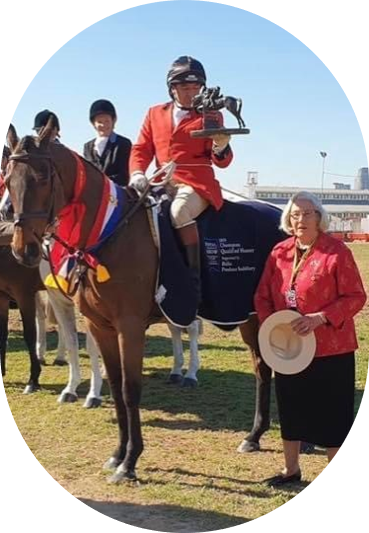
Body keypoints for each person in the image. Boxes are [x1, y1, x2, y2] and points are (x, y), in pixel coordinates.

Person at [254, 191, 367, 487]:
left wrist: (320, 318)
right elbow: (262, 295)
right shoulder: (278, 253)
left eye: (306, 213)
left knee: (334, 414)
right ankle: (291, 470)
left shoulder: (336, 252)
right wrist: (272, 326)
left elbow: (356, 296)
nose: (300, 219)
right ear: (287, 220)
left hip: (331, 349)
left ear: (319, 217)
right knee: (290, 409)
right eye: (294, 214)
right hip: (289, 349)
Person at [129, 55, 233, 299]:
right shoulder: (154, 113)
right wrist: (136, 172)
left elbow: (223, 162)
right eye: (185, 87)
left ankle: (192, 279)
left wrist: (221, 145)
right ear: (172, 89)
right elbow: (141, 149)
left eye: (196, 87)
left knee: (178, 212)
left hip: (197, 184)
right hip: (160, 180)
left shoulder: (211, 115)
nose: (191, 92)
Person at [83, 99, 132, 186]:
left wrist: (101, 183)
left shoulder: (124, 143)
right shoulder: (88, 147)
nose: (103, 125)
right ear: (93, 124)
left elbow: (124, 176)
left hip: (118, 193)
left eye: (107, 121)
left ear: (113, 121)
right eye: (99, 122)